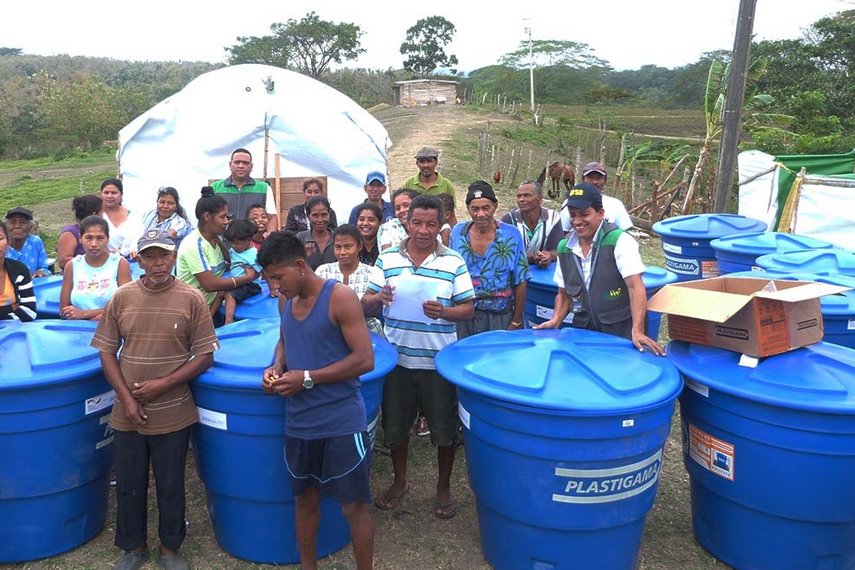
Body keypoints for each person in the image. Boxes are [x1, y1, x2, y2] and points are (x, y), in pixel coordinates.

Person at [92, 230, 218, 570]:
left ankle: (169, 547)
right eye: (150, 256)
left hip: (173, 410)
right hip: (127, 411)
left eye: (163, 255)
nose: (158, 263)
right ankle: (133, 546)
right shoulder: (122, 297)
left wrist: (163, 384)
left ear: (174, 257)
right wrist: (127, 399)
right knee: (130, 481)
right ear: (139, 260)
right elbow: (106, 350)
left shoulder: (192, 298)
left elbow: (204, 355)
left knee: (171, 480)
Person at [259, 231, 375, 570]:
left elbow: (364, 359)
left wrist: (307, 377)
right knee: (304, 500)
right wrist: (277, 365)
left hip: (340, 420)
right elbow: (284, 340)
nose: (276, 287)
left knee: (353, 506)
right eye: (271, 280)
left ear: (299, 265)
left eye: (279, 277)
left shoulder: (339, 297)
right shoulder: (286, 301)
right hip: (300, 421)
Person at [363, 194, 475, 519]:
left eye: (431, 223)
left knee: (444, 429)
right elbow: (366, 301)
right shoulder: (387, 259)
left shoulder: (453, 261)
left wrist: (446, 311)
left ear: (441, 225)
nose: (424, 230)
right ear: (406, 223)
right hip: (397, 361)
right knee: (395, 427)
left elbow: (468, 309)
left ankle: (443, 487)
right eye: (417, 223)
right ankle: (399, 482)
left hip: (438, 363)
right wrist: (378, 297)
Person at [534, 183, 663, 355]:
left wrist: (637, 330)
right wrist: (556, 319)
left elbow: (635, 287)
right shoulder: (565, 248)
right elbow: (563, 294)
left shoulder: (619, 241)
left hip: (621, 330)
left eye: (584, 214)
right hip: (584, 330)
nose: (577, 221)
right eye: (572, 215)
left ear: (601, 214)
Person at [450, 181, 528, 337]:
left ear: (495, 206)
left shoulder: (511, 234)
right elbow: (451, 272)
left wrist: (516, 321)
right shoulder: (458, 232)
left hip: (500, 316)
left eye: (486, 208)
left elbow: (521, 279)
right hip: (465, 314)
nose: (481, 214)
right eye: (475, 209)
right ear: (468, 209)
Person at [176, 187, 257, 317]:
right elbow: (210, 284)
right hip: (193, 313)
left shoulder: (216, 240)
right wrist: (246, 278)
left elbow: (230, 263)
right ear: (207, 217)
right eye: (222, 217)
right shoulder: (193, 245)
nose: (227, 221)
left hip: (212, 306)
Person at [60, 216, 132, 321]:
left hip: (111, 327)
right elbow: (64, 310)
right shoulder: (73, 265)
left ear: (107, 238)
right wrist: (87, 317)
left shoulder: (119, 264)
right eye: (89, 238)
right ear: (80, 238)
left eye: (100, 238)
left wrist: (84, 314)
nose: (94, 244)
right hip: (77, 329)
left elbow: (126, 305)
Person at [316, 224, 383, 335]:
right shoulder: (323, 271)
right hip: (330, 333)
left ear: (359, 246)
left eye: (348, 247)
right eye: (338, 247)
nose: (342, 252)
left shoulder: (372, 273)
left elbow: (376, 308)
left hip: (368, 332)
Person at [211, 148, 279, 232]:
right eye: (237, 162)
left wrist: (269, 238)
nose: (241, 166)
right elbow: (208, 218)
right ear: (230, 164)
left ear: (251, 166)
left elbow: (271, 217)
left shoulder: (264, 188)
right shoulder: (215, 188)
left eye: (245, 163)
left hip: (253, 241)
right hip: (223, 242)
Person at [501, 180, 565, 267]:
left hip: (543, 273)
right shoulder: (509, 220)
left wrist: (549, 255)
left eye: (526, 195)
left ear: (539, 199)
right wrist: (531, 258)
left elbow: (558, 250)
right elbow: (504, 255)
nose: (521, 199)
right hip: (515, 272)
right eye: (519, 196)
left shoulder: (553, 217)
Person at [560, 162, 633, 234]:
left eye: (599, 178)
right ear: (583, 180)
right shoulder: (571, 202)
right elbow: (562, 232)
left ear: (605, 181)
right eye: (590, 177)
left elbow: (626, 232)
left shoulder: (615, 204)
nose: (595, 181)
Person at [221, 219, 262, 324]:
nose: (233, 246)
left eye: (236, 243)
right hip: (238, 281)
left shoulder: (253, 255)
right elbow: (229, 258)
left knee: (230, 294)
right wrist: (220, 245)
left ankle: (229, 319)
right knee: (220, 291)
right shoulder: (236, 249)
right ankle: (210, 315)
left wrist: (272, 289)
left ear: (248, 240)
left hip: (250, 285)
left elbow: (262, 271)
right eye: (232, 243)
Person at [0, 220, 37, 321]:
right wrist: (12, 307)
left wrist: (6, 317)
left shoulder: (20, 270)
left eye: (0, 238)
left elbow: (30, 312)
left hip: (13, 333)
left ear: (8, 242)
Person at [57, 194, 102, 272]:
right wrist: (92, 260)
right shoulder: (69, 234)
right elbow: (63, 261)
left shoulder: (99, 231)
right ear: (95, 215)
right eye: (102, 212)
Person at [101, 178, 141, 259]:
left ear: (121, 194)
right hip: (105, 260)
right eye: (106, 192)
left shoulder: (131, 214)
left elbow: (138, 235)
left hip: (133, 259)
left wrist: (134, 249)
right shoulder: (97, 215)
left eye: (114, 193)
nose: (109, 196)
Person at [4, 207, 50, 277]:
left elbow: (43, 267)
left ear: (30, 226)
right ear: (5, 226)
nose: (17, 226)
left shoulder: (35, 242)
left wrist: (40, 272)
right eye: (12, 222)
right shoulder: (2, 245)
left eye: (22, 222)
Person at [296, 196, 336, 270]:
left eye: (324, 215)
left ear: (329, 214)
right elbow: (294, 269)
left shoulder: (337, 238)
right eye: (315, 215)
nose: (320, 220)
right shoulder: (300, 239)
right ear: (308, 216)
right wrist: (304, 257)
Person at [377, 188, 419, 253]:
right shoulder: (389, 228)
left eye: (406, 205)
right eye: (397, 208)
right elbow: (386, 257)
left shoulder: (430, 224)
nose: (402, 210)